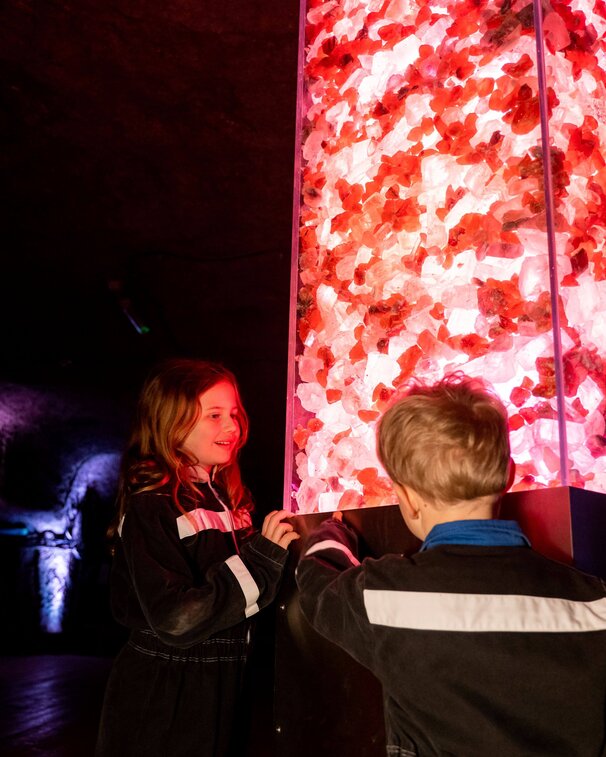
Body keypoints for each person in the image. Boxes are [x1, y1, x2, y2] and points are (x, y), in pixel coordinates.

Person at [296, 374, 606, 756]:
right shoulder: (594, 603)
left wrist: (330, 531)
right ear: (509, 475)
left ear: (407, 500)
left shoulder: (385, 596)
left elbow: (316, 586)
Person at [96, 359, 298, 757]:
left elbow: (249, 594)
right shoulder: (150, 506)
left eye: (235, 414)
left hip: (221, 684)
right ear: (173, 423)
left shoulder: (229, 499)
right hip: (165, 691)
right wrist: (263, 558)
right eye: (214, 415)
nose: (232, 427)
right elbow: (176, 617)